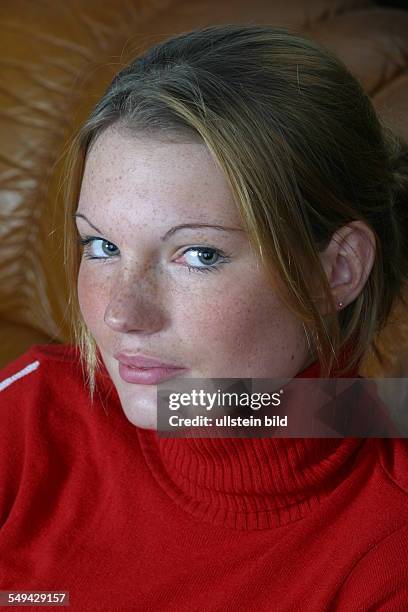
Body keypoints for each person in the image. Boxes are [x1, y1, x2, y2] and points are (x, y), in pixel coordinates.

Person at [0, 23, 407, 611]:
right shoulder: (35, 408)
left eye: (199, 255)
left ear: (336, 271)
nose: (120, 313)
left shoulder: (385, 554)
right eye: (102, 246)